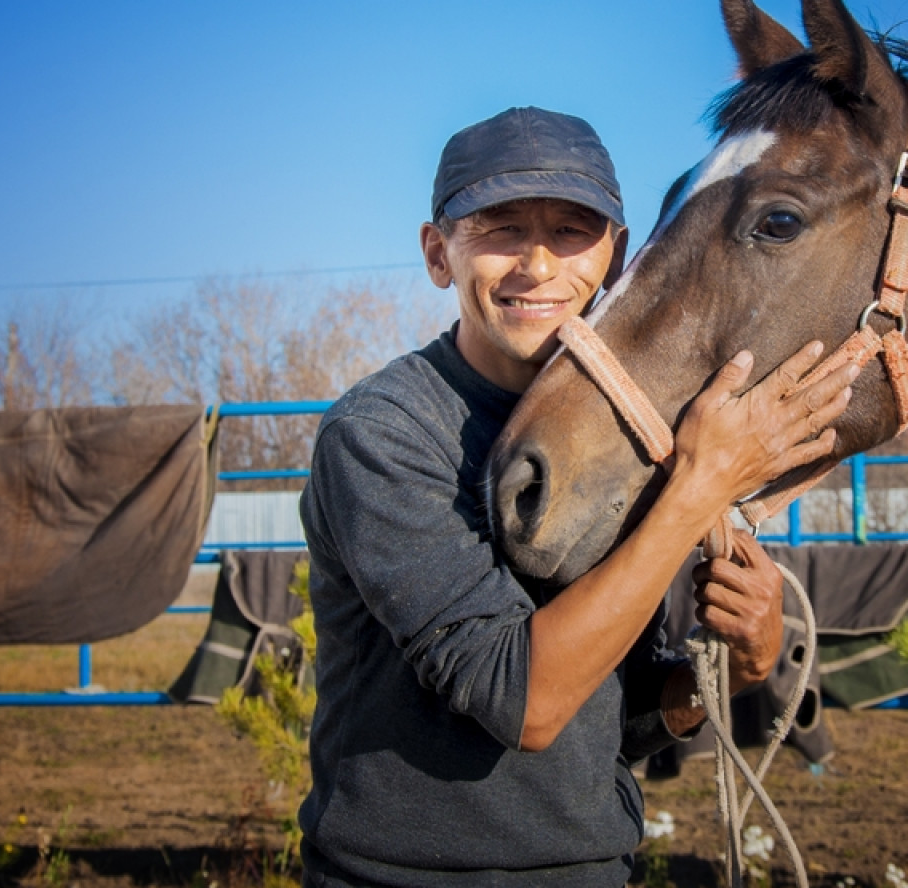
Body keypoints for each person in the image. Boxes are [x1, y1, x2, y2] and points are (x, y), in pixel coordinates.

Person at [298, 107, 858, 887]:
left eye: (571, 230)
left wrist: (736, 666)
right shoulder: (381, 433)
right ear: (437, 253)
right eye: (498, 228)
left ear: (616, 256)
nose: (537, 263)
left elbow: (617, 718)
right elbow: (525, 703)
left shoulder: (632, 440)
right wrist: (702, 488)